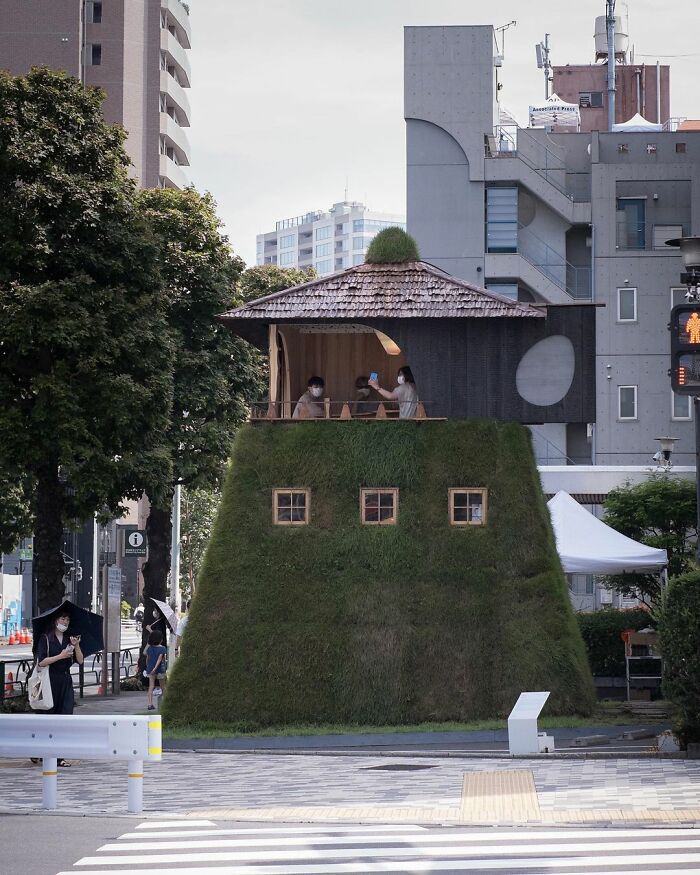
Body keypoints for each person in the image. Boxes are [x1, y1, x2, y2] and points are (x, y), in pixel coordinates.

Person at [35, 610, 84, 767]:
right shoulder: (46, 638)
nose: (65, 622)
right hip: (50, 680)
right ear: (56, 620)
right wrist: (60, 656)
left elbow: (80, 660)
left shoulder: (71, 639)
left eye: (68, 619)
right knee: (48, 716)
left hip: (65, 680)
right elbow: (41, 661)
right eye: (63, 618)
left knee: (64, 716)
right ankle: (42, 752)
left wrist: (76, 646)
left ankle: (59, 756)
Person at [144, 629, 167, 710]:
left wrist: (149, 667)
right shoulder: (163, 648)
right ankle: (165, 703)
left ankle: (150, 704)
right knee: (163, 686)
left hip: (150, 669)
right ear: (160, 639)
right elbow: (160, 659)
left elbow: (147, 659)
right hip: (160, 669)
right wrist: (156, 668)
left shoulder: (149, 648)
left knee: (151, 686)